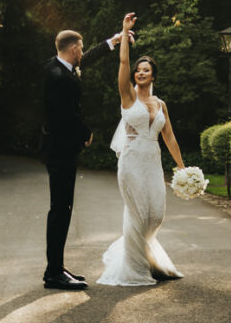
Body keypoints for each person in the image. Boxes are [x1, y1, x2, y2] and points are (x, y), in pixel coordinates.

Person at [40, 17, 132, 290]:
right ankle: (53, 273)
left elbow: (88, 59)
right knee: (60, 210)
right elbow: (63, 115)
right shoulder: (59, 78)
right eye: (81, 48)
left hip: (58, 149)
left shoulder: (57, 65)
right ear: (73, 50)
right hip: (60, 151)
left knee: (62, 209)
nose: (83, 52)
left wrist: (115, 40)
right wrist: (86, 132)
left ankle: (56, 267)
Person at [98, 14, 186, 286]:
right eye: (138, 70)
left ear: (154, 75)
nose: (140, 72)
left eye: (146, 69)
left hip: (153, 162)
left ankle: (141, 255)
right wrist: (125, 33)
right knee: (138, 214)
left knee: (156, 215)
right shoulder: (128, 96)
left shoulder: (160, 105)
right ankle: (134, 269)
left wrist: (183, 168)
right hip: (131, 161)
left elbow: (169, 137)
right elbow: (124, 61)